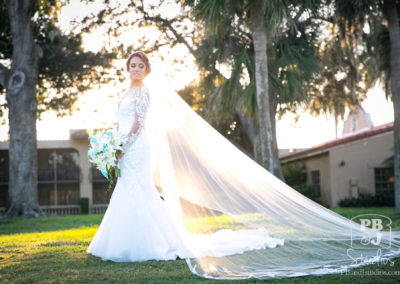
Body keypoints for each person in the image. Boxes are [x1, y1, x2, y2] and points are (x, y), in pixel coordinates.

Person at [87, 51, 400, 280]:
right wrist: (111, 144)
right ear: (126, 68)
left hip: (137, 147)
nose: (136, 69)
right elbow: (122, 121)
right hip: (124, 148)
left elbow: (138, 125)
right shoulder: (126, 90)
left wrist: (120, 147)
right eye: (132, 65)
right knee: (130, 188)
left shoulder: (143, 92)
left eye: (141, 66)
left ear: (147, 70)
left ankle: (150, 241)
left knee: (138, 187)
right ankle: (127, 239)